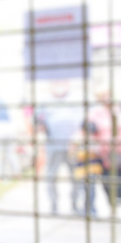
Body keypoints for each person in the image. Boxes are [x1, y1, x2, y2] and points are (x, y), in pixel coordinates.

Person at [36, 80, 82, 214]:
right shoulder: (44, 101)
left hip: (74, 146)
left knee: (77, 176)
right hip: (53, 144)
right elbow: (38, 120)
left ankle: (75, 203)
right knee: (51, 175)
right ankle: (53, 204)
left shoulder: (76, 98)